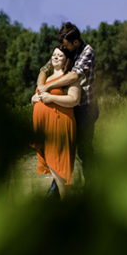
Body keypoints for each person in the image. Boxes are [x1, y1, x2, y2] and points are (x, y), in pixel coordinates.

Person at [37, 22, 97, 176]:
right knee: (63, 151)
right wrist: (39, 87)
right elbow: (44, 69)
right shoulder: (66, 49)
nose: (64, 48)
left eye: (67, 45)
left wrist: (48, 88)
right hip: (67, 107)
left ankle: (93, 187)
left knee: (84, 150)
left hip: (85, 107)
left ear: (75, 42)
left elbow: (74, 76)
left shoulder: (87, 51)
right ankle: (58, 191)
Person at [31, 46, 81, 198]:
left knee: (59, 167)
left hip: (59, 125)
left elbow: (74, 100)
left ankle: (67, 204)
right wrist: (33, 99)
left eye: (60, 55)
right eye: (54, 54)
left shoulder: (69, 77)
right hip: (44, 128)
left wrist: (52, 98)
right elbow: (40, 96)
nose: (56, 57)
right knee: (55, 168)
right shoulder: (46, 78)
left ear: (67, 59)